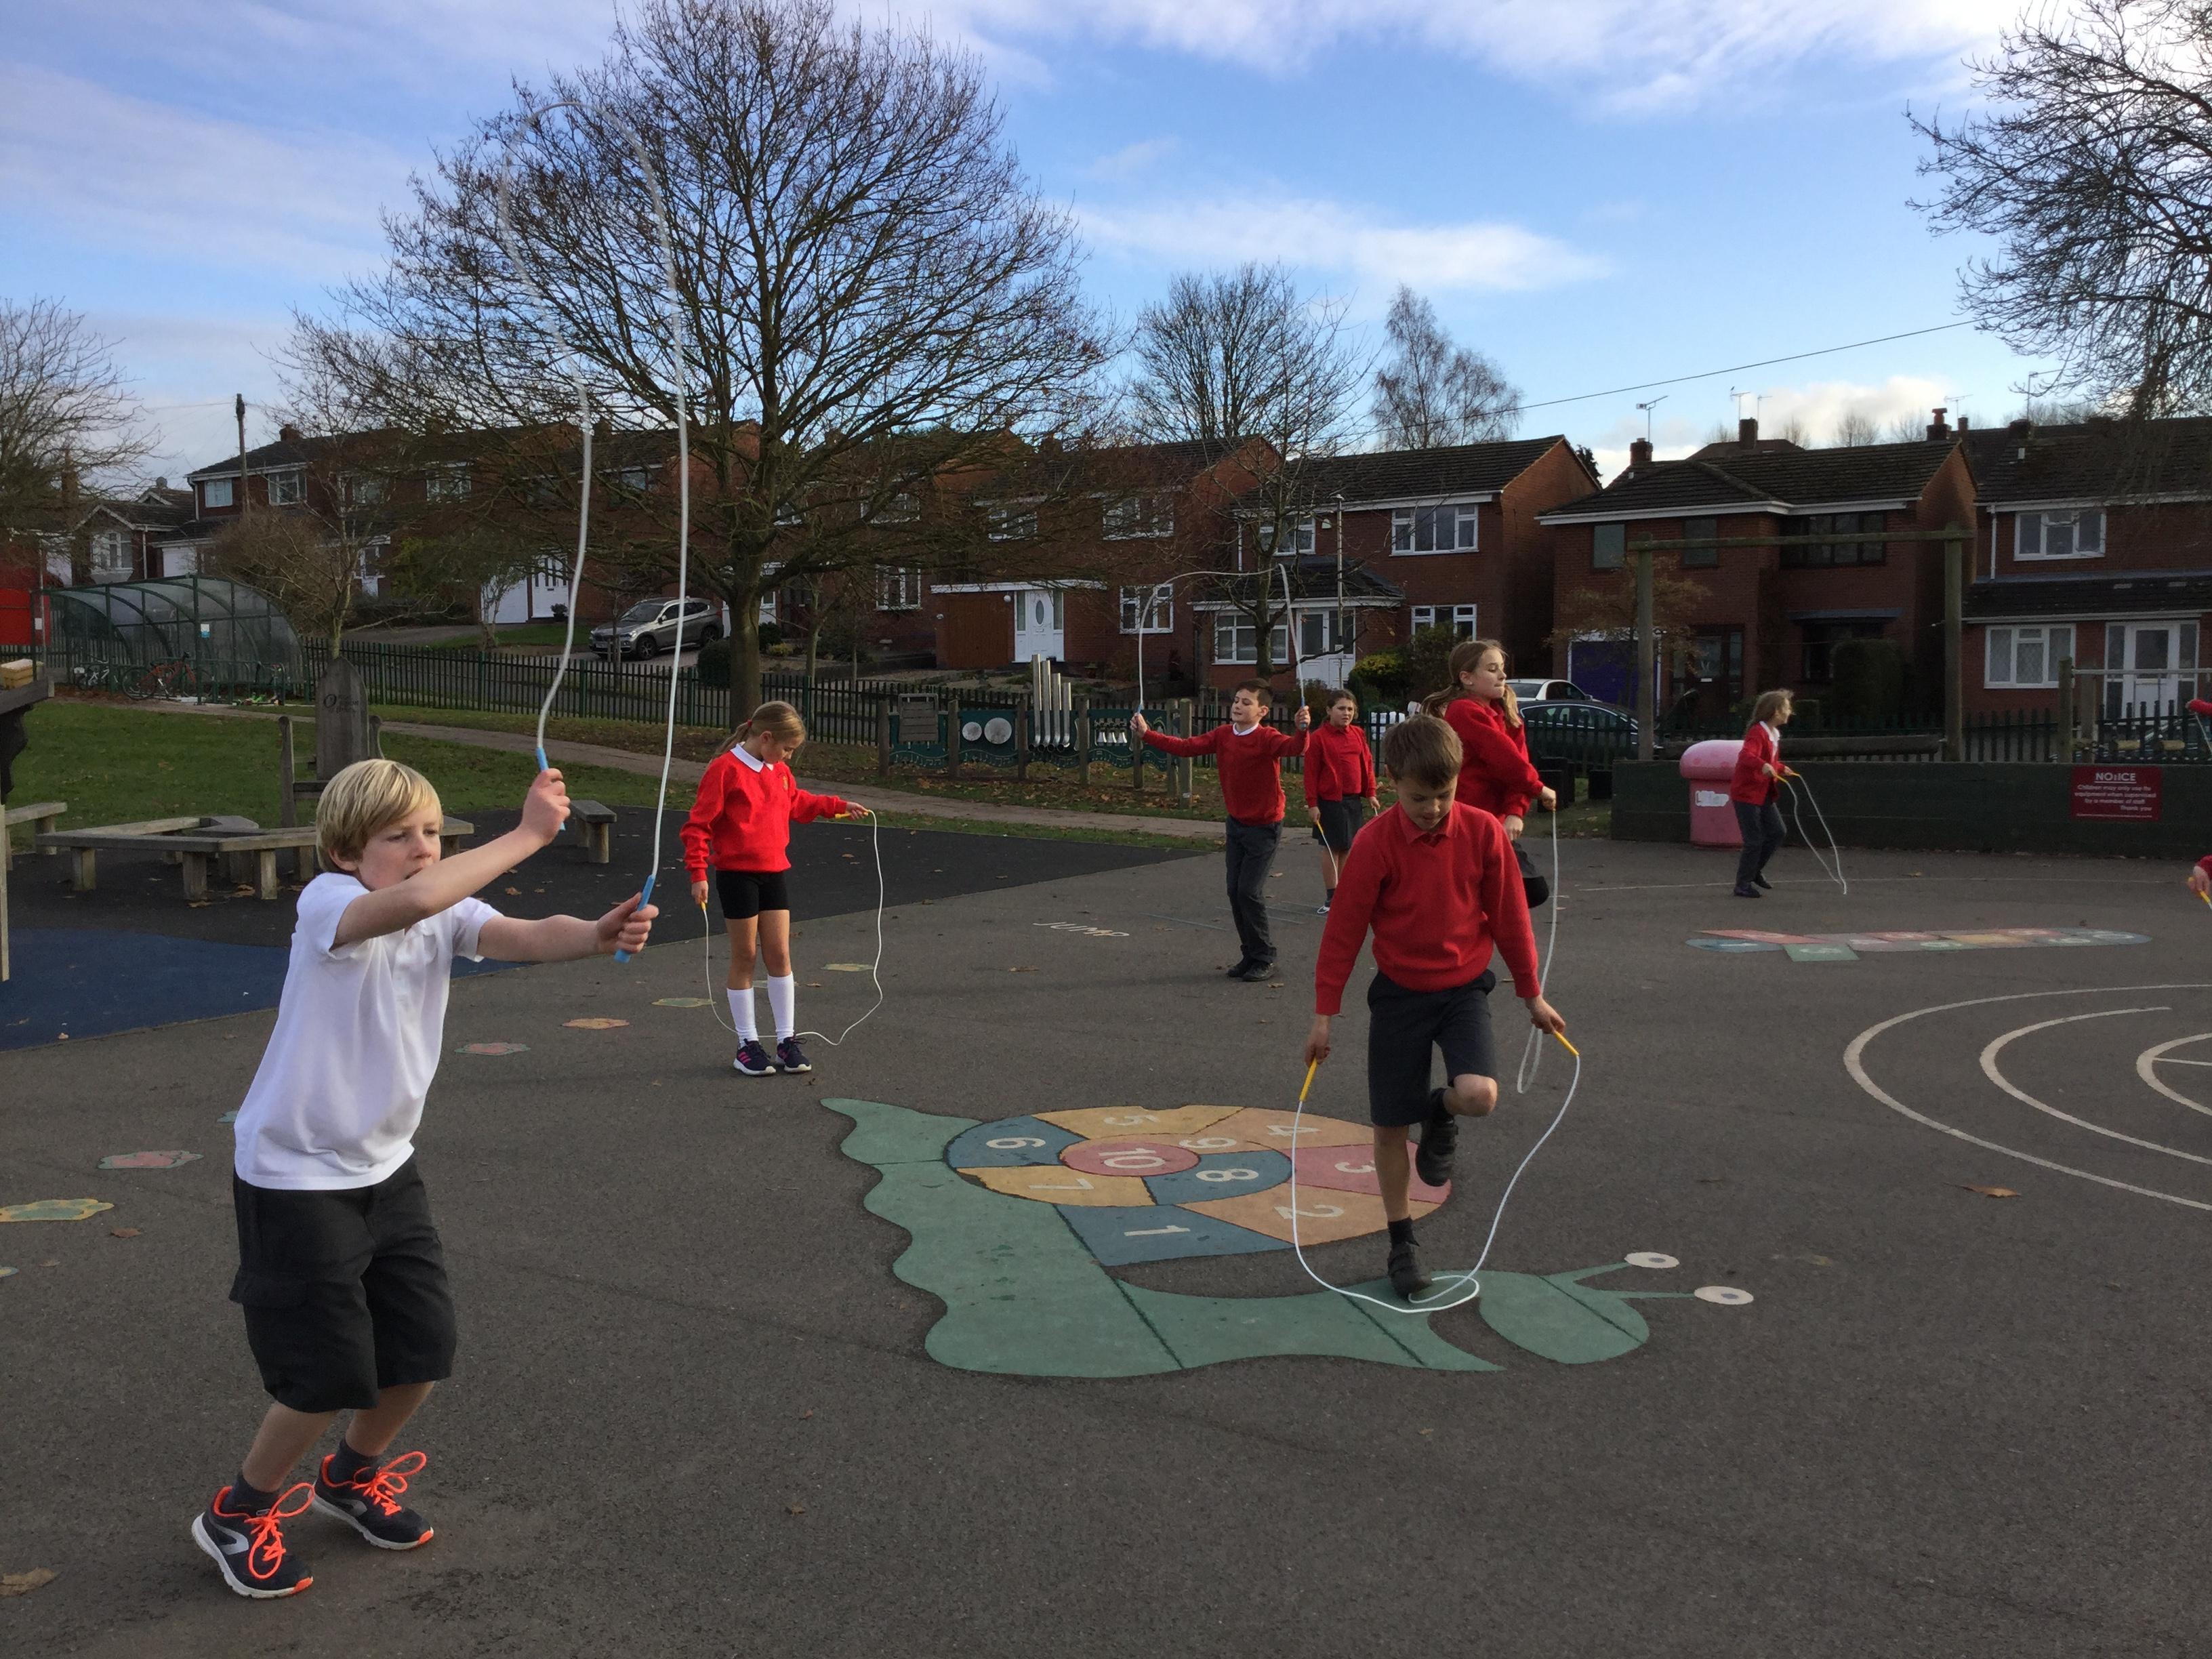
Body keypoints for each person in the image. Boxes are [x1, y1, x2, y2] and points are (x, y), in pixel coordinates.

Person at [192, 758, 657, 1600]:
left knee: (419, 1350)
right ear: (346, 852)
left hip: (386, 1165)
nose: (422, 849)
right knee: (324, 1372)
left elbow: (521, 935)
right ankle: (239, 1511)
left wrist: (595, 933)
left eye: (433, 833)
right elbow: (412, 902)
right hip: (295, 1175)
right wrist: (528, 835)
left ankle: (350, 1477)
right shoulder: (329, 904)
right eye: (399, 836)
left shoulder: (444, 909)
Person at [1303, 714, 1564, 1299]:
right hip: (1400, 995)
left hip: (1463, 990)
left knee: (1480, 1095)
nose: (1434, 808)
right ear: (1392, 781)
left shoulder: (1483, 832)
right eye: (1420, 797)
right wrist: (1324, 1015)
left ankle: (1439, 1110)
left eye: (1444, 794)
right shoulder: (1374, 843)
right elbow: (1343, 933)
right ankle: (1403, 1243)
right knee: (1389, 1127)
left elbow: (1510, 918)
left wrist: (1532, 995)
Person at [682, 700, 867, 1076]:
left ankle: (786, 1041)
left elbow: (797, 803)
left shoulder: (779, 771)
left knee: (780, 954)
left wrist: (837, 805)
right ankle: (746, 1044)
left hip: (773, 872)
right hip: (737, 874)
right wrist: (697, 872)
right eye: (786, 748)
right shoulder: (725, 770)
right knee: (745, 956)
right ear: (766, 737)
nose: (788, 757)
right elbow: (698, 825)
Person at [1132, 680, 1311, 981]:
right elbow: (1186, 748)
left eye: (1246, 703)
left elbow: (1295, 748)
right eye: (1237, 700)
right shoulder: (1223, 735)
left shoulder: (1267, 738)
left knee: (1249, 891)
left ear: (1262, 711)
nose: (1238, 706)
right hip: (1237, 824)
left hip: (1265, 826)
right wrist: (1147, 735)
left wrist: (1302, 729)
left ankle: (1264, 957)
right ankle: (1250, 954)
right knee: (1234, 891)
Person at [1422, 639, 1557, 909]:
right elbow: (1504, 759)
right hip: (1469, 821)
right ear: (1467, 678)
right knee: (1499, 895)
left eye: (1502, 668)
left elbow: (1519, 766)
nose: (1502, 675)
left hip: (1497, 822)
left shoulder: (1507, 715)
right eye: (1492, 669)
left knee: (1528, 891)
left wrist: (1515, 812)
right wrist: (1539, 789)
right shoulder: (1464, 711)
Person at [1303, 687, 1379, 915]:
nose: (1346, 713)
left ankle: (1345, 892)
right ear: (1329, 710)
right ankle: (1332, 896)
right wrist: (1312, 803)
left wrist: (1371, 792)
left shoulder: (1358, 734)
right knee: (1332, 847)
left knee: (1348, 847)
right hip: (1330, 801)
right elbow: (1311, 773)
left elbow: (1367, 763)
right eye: (1341, 709)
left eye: (1350, 709)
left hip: (1353, 800)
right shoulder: (1319, 738)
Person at [1729, 689, 1795, 899]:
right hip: (1747, 793)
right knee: (1754, 840)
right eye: (1786, 708)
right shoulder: (1758, 732)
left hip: (1762, 792)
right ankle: (1742, 884)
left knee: (1777, 832)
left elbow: (1769, 761)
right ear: (1775, 711)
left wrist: (1780, 767)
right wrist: (1763, 765)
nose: (1790, 712)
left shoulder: (1772, 734)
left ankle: (1754, 871)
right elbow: (1746, 755)